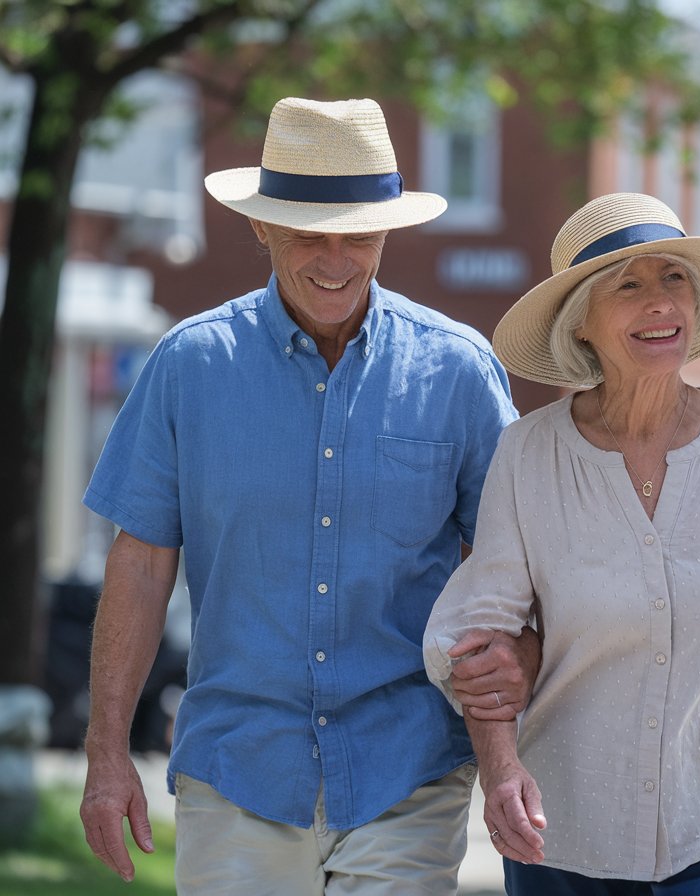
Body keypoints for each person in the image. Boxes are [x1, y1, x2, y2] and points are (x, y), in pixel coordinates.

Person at [79, 96, 540, 895]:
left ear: (388, 231)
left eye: (358, 232)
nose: (336, 257)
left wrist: (509, 727)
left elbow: (509, 569)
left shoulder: (459, 374)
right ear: (259, 226)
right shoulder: (189, 367)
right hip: (238, 769)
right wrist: (105, 752)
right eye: (307, 232)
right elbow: (141, 566)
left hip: (407, 768)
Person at [424, 192, 700, 895]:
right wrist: (502, 772)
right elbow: (483, 641)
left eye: (674, 279)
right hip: (566, 836)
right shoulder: (529, 456)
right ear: (583, 326)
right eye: (628, 285)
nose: (659, 303)